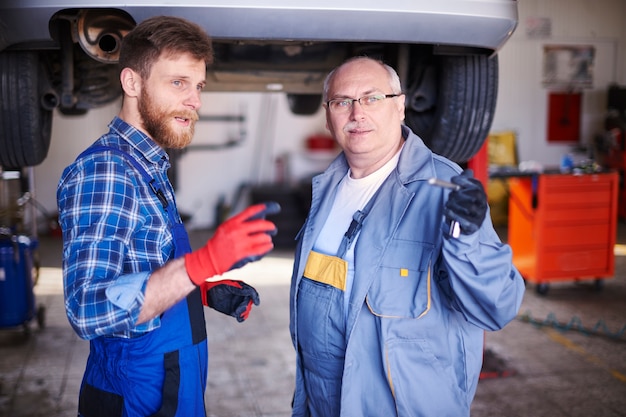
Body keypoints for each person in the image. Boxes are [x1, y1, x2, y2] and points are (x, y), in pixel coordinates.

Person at [57, 16, 279, 417]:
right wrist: (200, 264)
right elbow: (87, 308)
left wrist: (201, 290)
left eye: (198, 86)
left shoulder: (149, 165)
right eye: (178, 83)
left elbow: (141, 266)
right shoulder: (107, 170)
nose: (194, 100)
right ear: (132, 83)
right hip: (135, 398)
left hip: (174, 387)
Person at [289, 56, 525, 417]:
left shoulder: (442, 189)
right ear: (327, 115)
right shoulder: (327, 188)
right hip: (322, 401)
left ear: (400, 106)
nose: (357, 114)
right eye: (342, 102)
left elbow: (498, 306)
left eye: (372, 98)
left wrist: (470, 238)